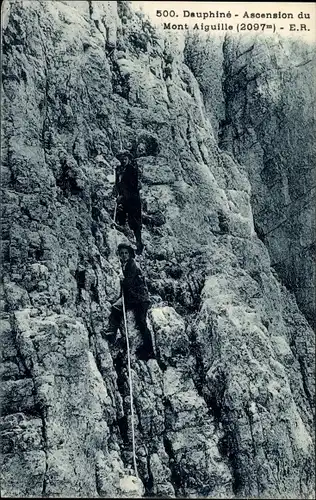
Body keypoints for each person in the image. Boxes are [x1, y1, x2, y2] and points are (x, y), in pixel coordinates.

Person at [107, 243, 155, 361]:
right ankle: (112, 332)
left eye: (126, 253)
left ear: (129, 254)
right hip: (134, 298)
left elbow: (128, 282)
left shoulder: (132, 265)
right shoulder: (126, 265)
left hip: (140, 299)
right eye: (121, 253)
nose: (123, 255)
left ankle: (150, 350)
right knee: (117, 308)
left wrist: (122, 281)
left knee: (141, 323)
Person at [114, 150, 144, 255]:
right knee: (121, 217)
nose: (123, 160)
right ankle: (122, 243)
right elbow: (117, 183)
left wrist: (123, 196)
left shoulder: (132, 170)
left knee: (135, 223)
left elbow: (133, 187)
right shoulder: (118, 170)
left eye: (125, 158)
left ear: (128, 159)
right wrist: (116, 191)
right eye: (121, 158)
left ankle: (139, 245)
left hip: (132, 199)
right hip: (123, 199)